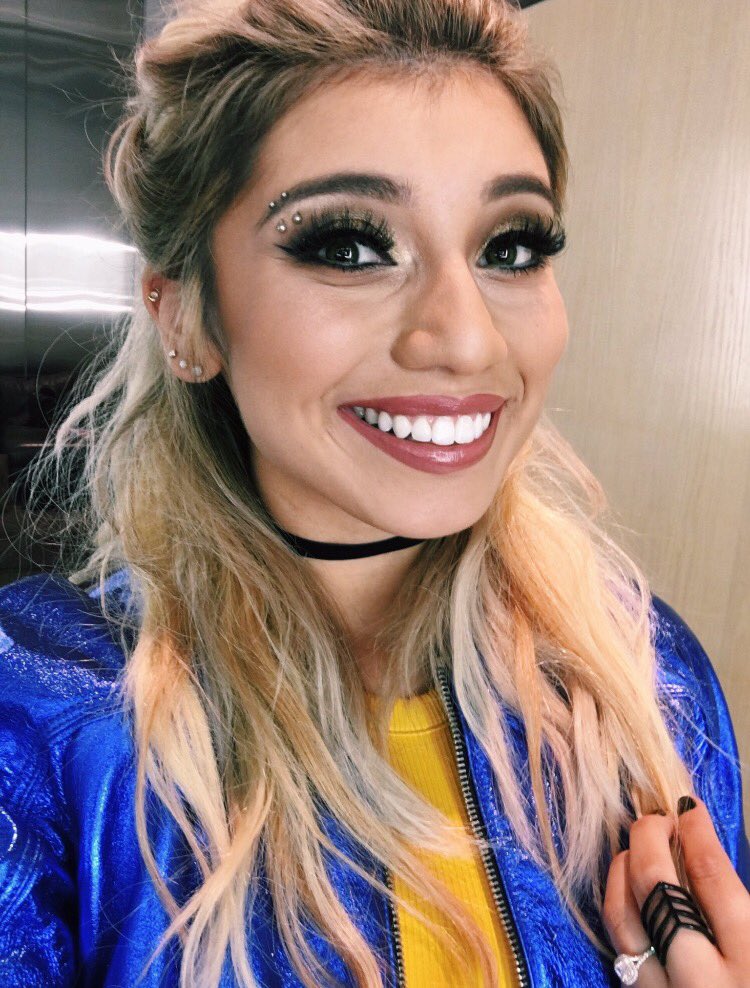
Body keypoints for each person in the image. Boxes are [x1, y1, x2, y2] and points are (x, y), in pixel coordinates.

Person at [0, 0, 747, 985]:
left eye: (510, 247)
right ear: (184, 315)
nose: (468, 339)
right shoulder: (38, 722)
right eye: (349, 246)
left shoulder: (646, 674)